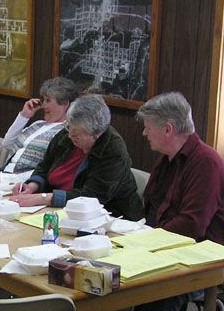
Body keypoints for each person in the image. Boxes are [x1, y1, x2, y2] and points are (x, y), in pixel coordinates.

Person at [126, 91, 224, 311]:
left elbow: (192, 225)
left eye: (148, 127)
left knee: (163, 286)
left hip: (208, 256)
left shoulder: (206, 163)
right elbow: (152, 208)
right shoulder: (168, 159)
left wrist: (145, 239)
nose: (144, 134)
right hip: (167, 245)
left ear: (167, 129)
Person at [11, 94, 143, 220]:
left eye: (76, 135)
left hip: (110, 217)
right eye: (69, 129)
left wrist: (42, 198)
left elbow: (91, 197)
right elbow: (45, 165)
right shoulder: (68, 133)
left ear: (95, 134)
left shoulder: (113, 150)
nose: (69, 136)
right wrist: (32, 186)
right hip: (58, 210)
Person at [0, 77, 79, 173]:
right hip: (3, 173)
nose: (43, 105)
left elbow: (50, 167)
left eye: (48, 100)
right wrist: (24, 116)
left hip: (25, 180)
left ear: (65, 104)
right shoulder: (38, 124)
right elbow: (6, 144)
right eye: (43, 100)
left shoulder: (66, 131)